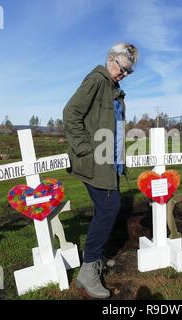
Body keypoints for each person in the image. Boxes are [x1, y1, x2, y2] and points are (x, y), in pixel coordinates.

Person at [63, 43, 139, 299]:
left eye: (129, 72)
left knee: (106, 208)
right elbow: (70, 113)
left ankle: (95, 257)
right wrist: (85, 149)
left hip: (110, 162)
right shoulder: (96, 80)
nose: (124, 74)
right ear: (110, 59)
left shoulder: (114, 89)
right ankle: (87, 271)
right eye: (123, 68)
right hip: (96, 162)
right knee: (109, 208)